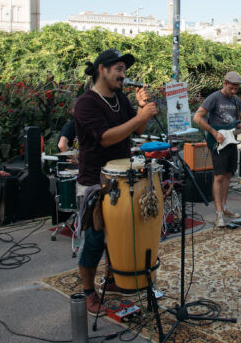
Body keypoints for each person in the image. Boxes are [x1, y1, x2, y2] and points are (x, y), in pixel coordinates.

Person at [74, 48, 157, 316]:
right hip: (94, 181)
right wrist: (139, 117)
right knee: (96, 239)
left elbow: (138, 129)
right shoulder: (86, 103)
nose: (123, 75)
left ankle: (111, 280)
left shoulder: (120, 97)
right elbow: (106, 138)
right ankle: (88, 292)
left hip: (121, 178)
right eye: (118, 69)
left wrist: (142, 110)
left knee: (119, 236)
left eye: (124, 70)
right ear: (102, 69)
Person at [193, 71, 241, 228]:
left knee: (228, 176)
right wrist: (214, 132)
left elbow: (237, 122)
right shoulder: (214, 97)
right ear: (224, 83)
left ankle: (224, 208)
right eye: (231, 88)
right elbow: (197, 117)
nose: (233, 91)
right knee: (218, 177)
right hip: (217, 142)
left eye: (236, 88)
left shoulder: (236, 100)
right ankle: (218, 212)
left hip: (231, 141)